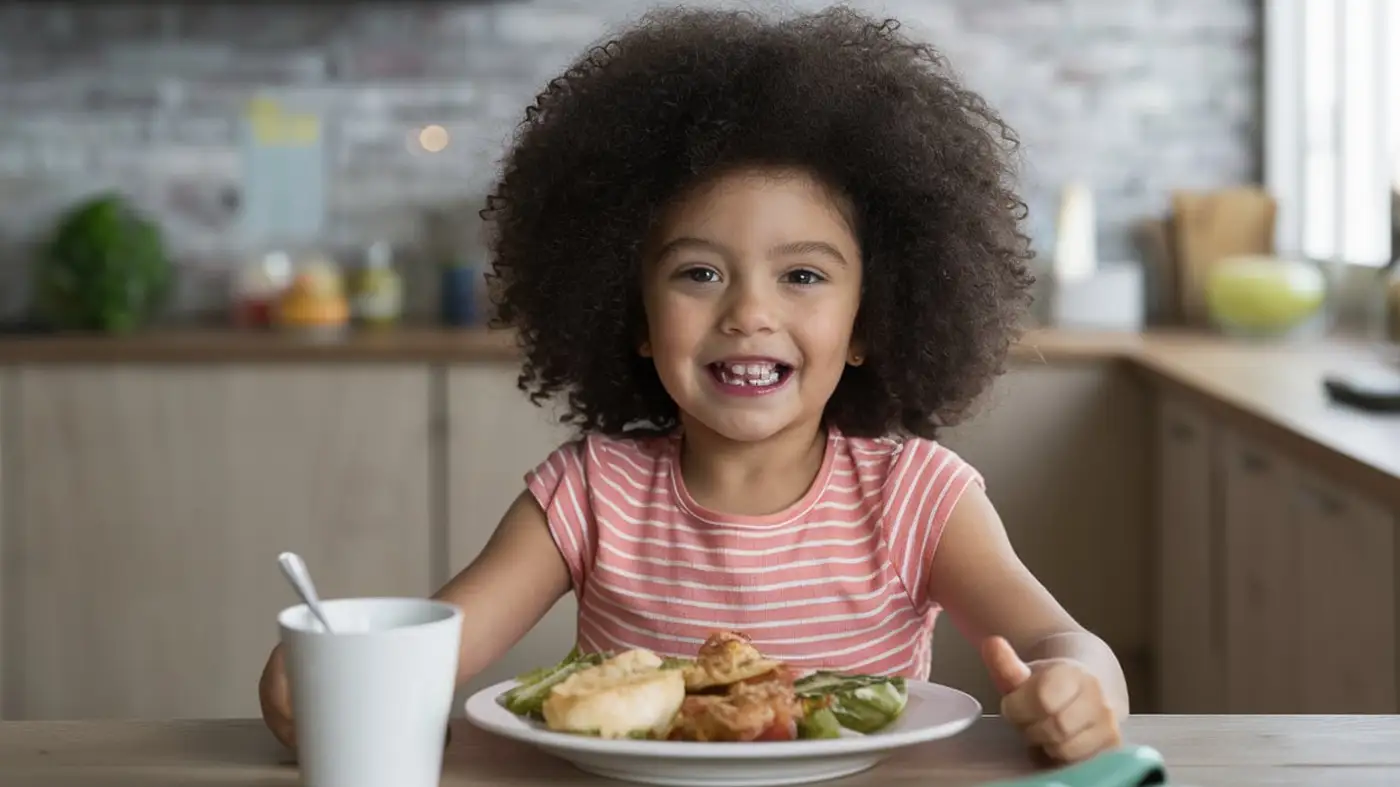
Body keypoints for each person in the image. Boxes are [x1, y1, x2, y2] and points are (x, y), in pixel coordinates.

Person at [260, 4, 1129, 762]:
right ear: (633, 318)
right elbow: (432, 647)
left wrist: (1081, 687)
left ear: (870, 322)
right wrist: (327, 672)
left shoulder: (917, 498)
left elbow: (1063, 639)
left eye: (803, 276)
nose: (749, 313)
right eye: (699, 274)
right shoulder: (589, 495)